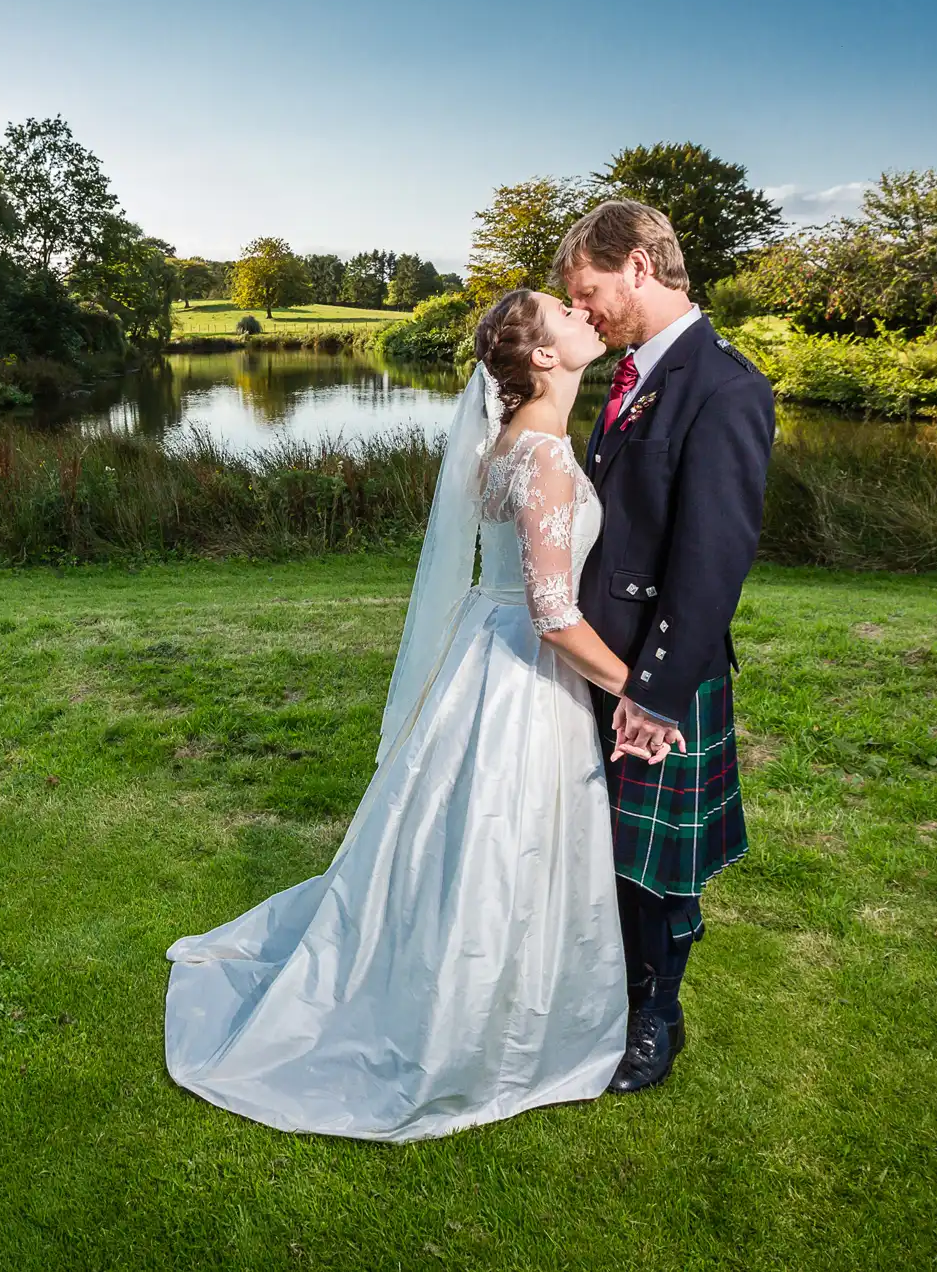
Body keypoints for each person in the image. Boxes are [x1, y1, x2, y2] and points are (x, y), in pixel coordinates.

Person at [162, 289, 634, 1141]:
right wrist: (636, 689)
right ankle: (475, 1024)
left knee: (463, 835)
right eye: (564, 313)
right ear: (542, 357)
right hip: (520, 673)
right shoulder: (548, 460)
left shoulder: (509, 447)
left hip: (482, 656)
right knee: (503, 832)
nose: (582, 313)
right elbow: (555, 614)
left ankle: (462, 981)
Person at [557, 199, 776, 1093]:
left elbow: (711, 561)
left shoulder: (724, 385)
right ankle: (619, 987)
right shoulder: (635, 375)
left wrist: (653, 691)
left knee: (658, 861)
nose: (583, 311)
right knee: (609, 846)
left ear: (639, 267)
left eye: (591, 290)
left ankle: (659, 1016)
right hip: (603, 657)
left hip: (659, 668)